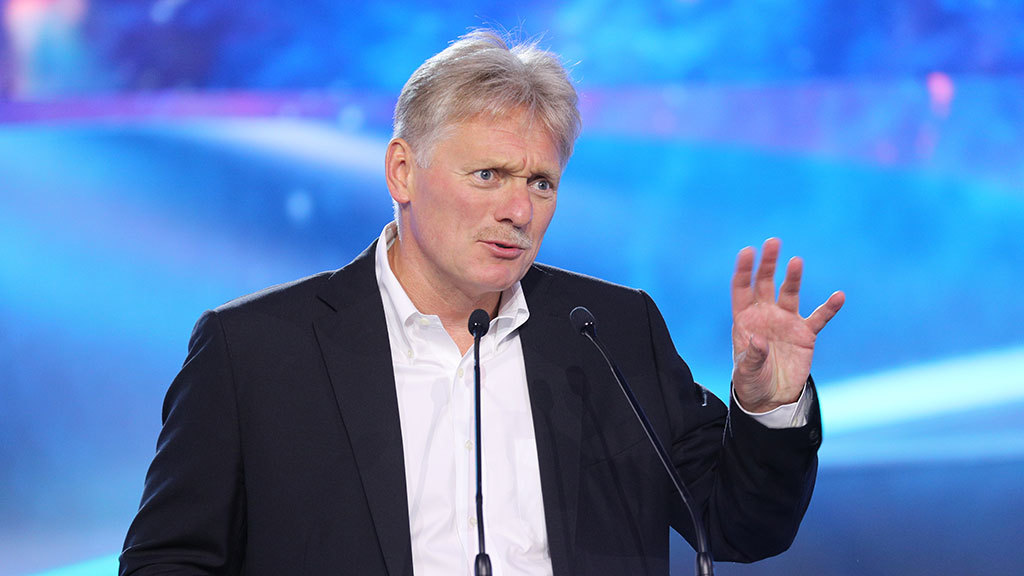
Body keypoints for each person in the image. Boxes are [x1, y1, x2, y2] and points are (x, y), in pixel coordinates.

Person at [120, 29, 844, 576]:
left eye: (540, 183)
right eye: (489, 175)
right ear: (402, 171)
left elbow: (740, 527)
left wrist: (768, 406)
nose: (518, 211)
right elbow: (168, 561)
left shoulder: (612, 334)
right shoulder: (254, 352)